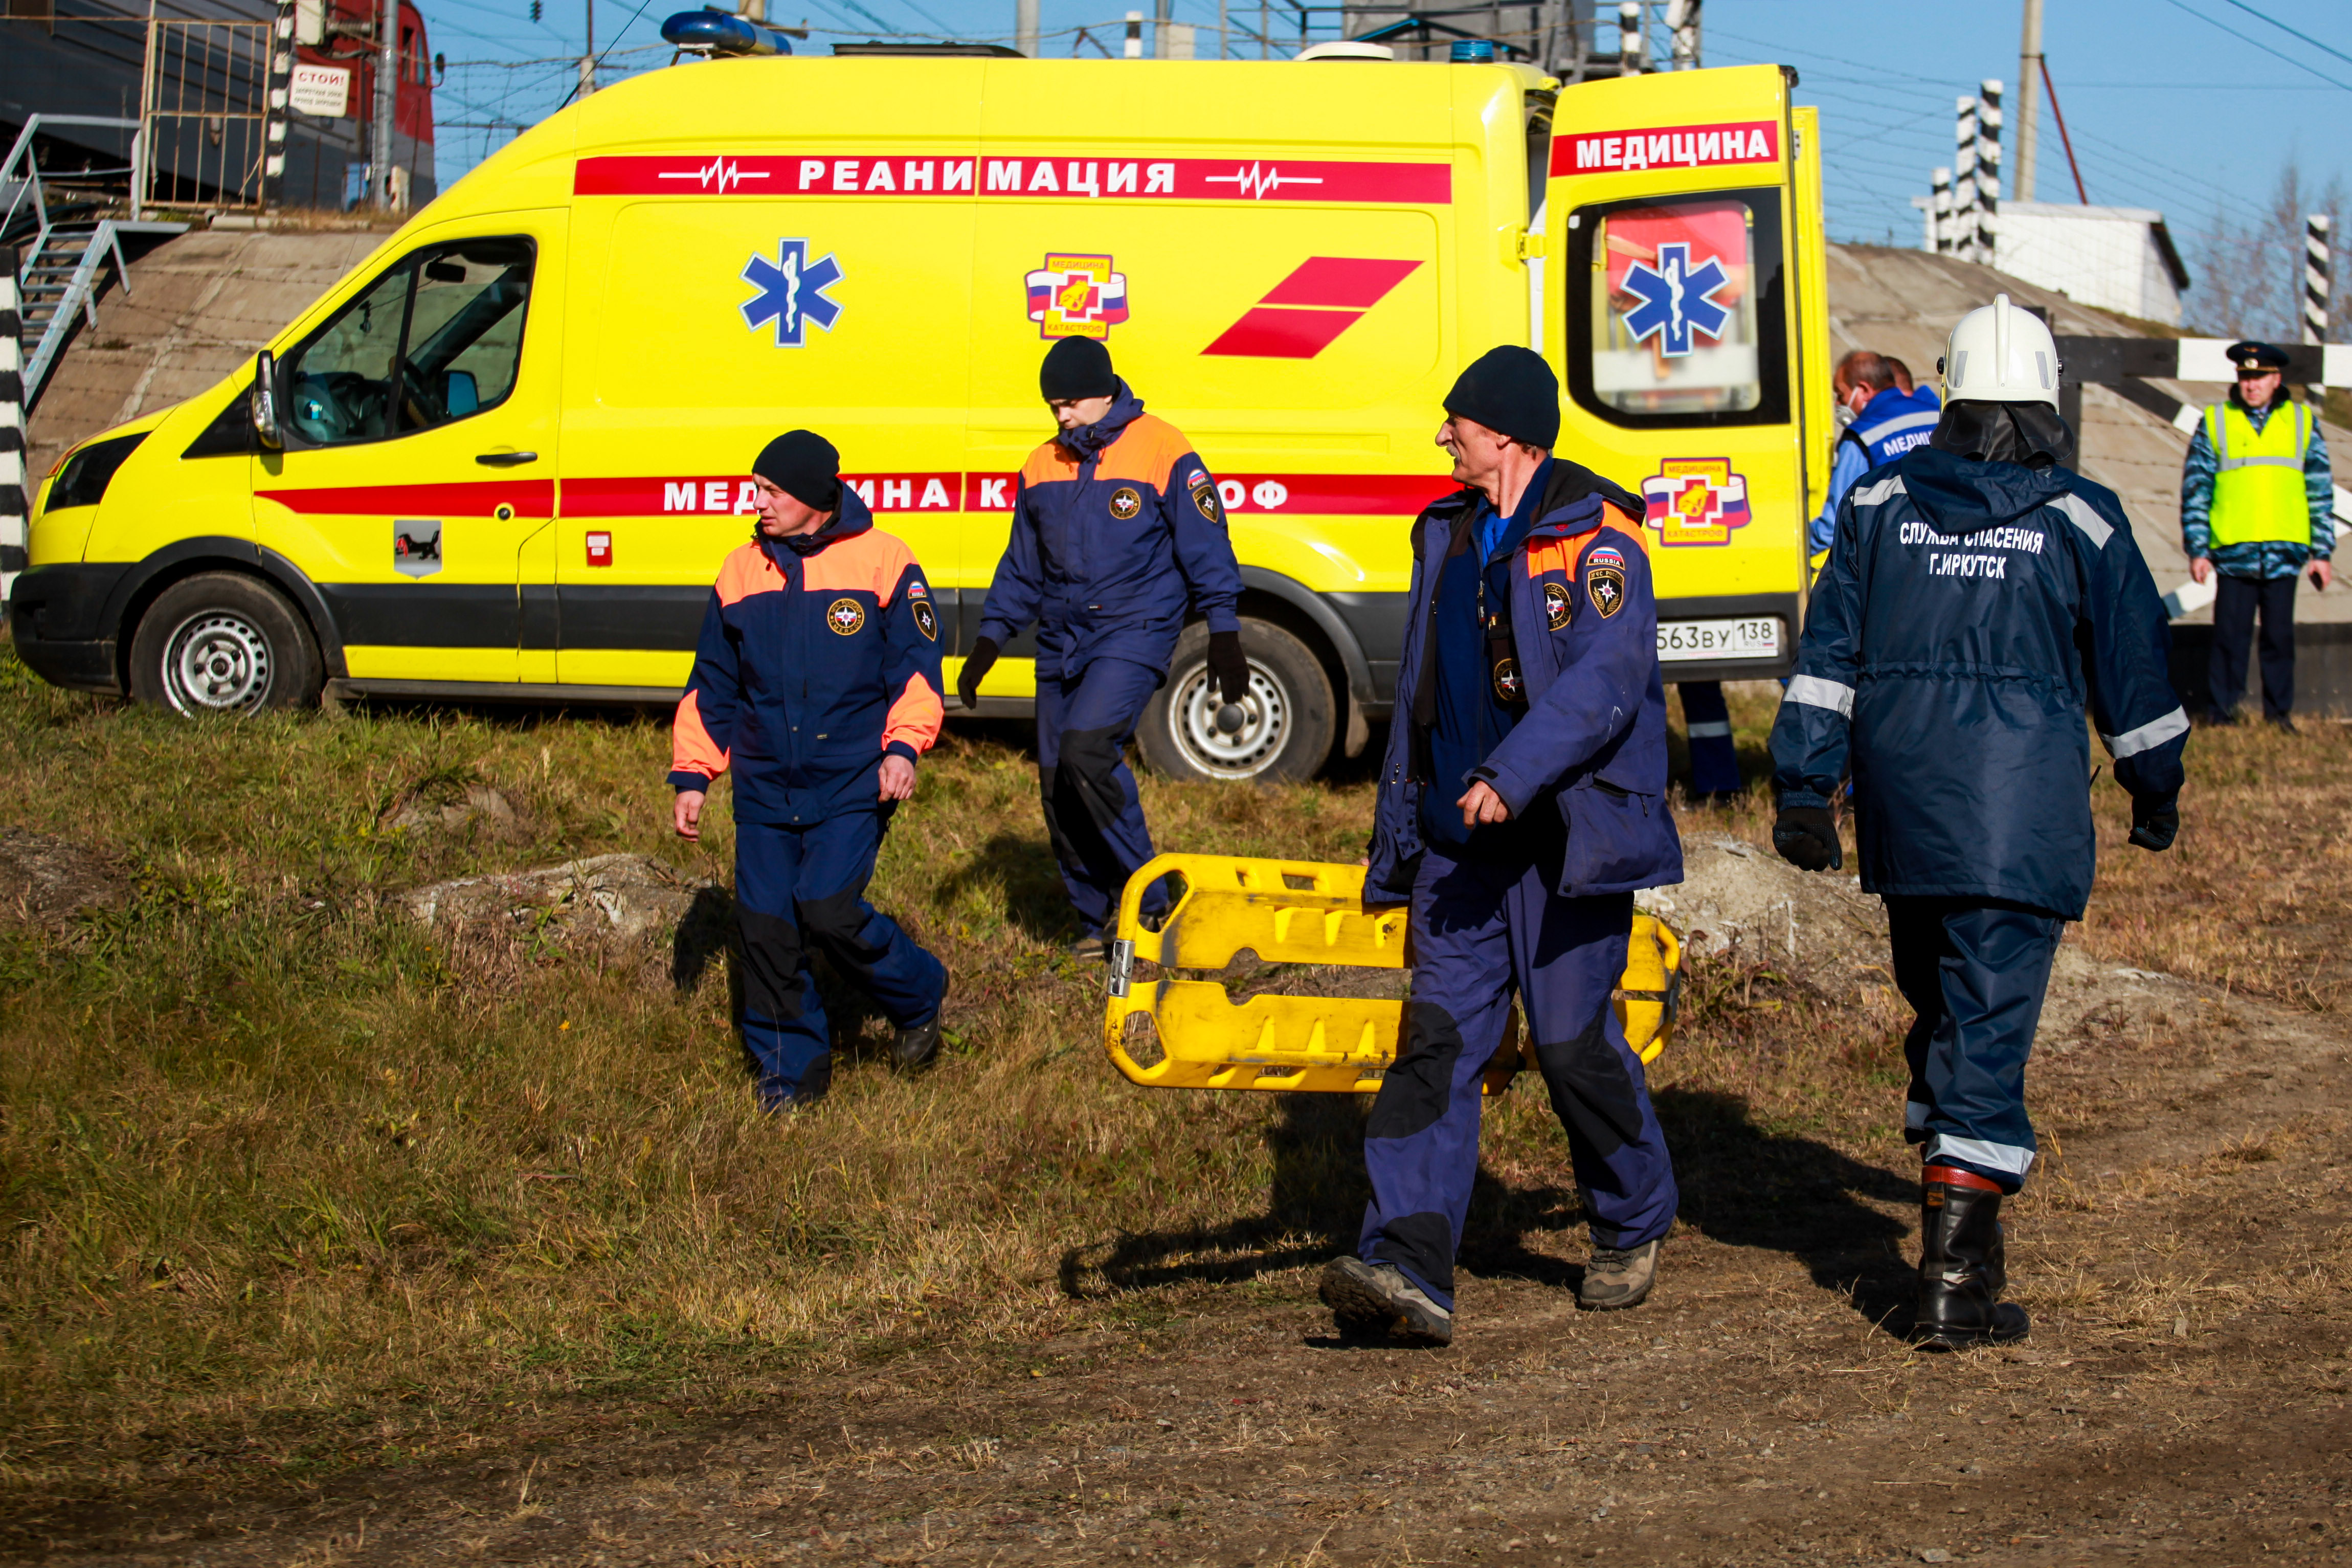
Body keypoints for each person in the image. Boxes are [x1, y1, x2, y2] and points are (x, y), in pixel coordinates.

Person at [1769, 295, 2186, 1350]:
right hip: (2019, 821)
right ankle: (1952, 1288)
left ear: (1947, 392)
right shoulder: (2081, 516)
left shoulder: (1873, 506)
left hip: (1906, 821)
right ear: (2046, 400)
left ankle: (1961, 1241)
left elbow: (1827, 660)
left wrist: (1802, 787)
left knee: (1945, 1017)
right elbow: (2134, 669)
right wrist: (2156, 784)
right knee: (1985, 1036)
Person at [1322, 346, 1683, 1348]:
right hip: (1455, 844)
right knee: (1434, 1047)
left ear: (1509, 438)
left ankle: (1631, 1217)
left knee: (1569, 1046)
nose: (1443, 436)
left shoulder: (1597, 540)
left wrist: (1511, 775)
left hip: (1564, 841)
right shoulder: (1439, 532)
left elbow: (1606, 682)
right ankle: (1406, 1267)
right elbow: (1421, 704)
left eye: (1458, 423)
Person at [670, 431, 950, 1110]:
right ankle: (789, 1072)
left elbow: (915, 663)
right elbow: (714, 681)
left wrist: (903, 747)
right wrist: (693, 773)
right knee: (765, 922)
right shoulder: (740, 570)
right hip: (765, 782)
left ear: (815, 497)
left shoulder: (884, 560)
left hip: (852, 778)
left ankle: (917, 995)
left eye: (771, 490)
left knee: (826, 907)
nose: (756, 501)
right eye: (756, 487)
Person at [957, 338, 1247, 953]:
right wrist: (990, 638)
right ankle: (1097, 923)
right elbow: (1022, 565)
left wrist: (1224, 632)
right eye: (1051, 406)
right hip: (1061, 637)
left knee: (1088, 749)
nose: (1060, 417)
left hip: (1134, 628)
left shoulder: (1164, 449)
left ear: (1104, 391)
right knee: (1059, 783)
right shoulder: (1041, 464)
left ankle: (1153, 905)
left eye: (1069, 404)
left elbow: (1207, 546)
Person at [2182, 340, 2335, 728]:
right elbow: (2196, 487)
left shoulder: (2301, 421)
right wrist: (2197, 548)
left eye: (2259, 377)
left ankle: (2278, 715)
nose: (2251, 385)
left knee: (2279, 639)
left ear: (2276, 379)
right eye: (2245, 377)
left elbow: (2318, 488)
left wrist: (2322, 552)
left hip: (2285, 549)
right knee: (2229, 638)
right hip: (2234, 548)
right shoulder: (2216, 420)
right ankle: (2221, 713)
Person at [1810, 349, 1943, 556]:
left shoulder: (1862, 437)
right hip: (1949, 551)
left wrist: (1797, 550)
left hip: (1900, 557)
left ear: (1863, 389)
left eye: (1840, 394)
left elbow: (1834, 523)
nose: (1838, 404)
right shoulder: (1938, 416)